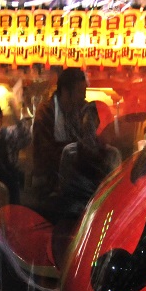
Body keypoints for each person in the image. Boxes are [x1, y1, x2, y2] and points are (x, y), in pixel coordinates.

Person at [30, 67, 90, 207]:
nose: (84, 97)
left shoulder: (83, 111)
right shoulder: (45, 114)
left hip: (77, 186)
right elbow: (45, 157)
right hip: (48, 188)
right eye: (81, 92)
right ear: (65, 92)